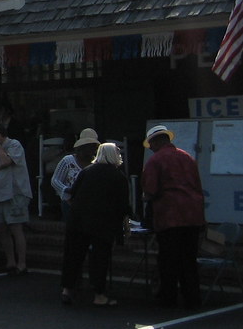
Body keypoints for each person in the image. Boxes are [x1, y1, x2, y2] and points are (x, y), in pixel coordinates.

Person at [141, 124, 205, 309]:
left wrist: (145, 198)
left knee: (169, 260)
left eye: (151, 144)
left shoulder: (155, 161)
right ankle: (193, 298)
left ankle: (168, 298)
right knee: (189, 260)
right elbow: (198, 186)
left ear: (156, 141)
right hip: (193, 215)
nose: (150, 148)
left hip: (170, 216)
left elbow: (150, 191)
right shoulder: (187, 157)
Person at [60, 143, 130, 306]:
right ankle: (99, 294)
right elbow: (123, 205)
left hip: (78, 220)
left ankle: (67, 289)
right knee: (100, 258)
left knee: (73, 255)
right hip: (103, 223)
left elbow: (73, 192)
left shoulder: (86, 172)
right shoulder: (118, 176)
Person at [0, 121, 32, 275]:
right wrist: (0, 166)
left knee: (16, 227)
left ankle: (22, 263)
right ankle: (10, 261)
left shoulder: (14, 145)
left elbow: (7, 161)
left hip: (15, 193)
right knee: (1, 228)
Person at [51, 128, 100, 221]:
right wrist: (67, 190)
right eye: (90, 146)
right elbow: (55, 180)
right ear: (82, 147)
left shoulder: (97, 163)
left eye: (94, 147)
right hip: (70, 202)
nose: (93, 150)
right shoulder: (68, 161)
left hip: (90, 204)